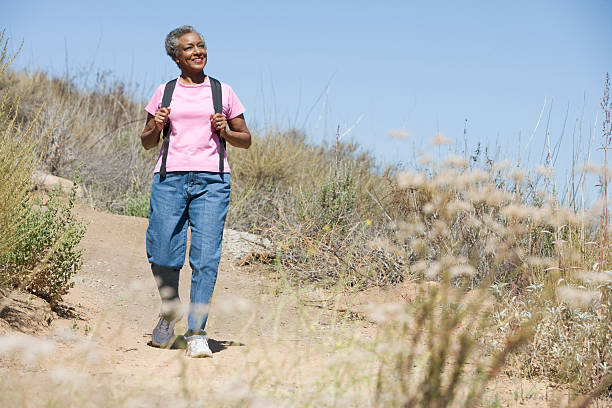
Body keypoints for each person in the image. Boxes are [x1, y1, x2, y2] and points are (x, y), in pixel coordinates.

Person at [140, 25, 251, 358]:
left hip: (212, 182)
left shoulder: (223, 91)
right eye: (189, 48)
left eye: (201, 45)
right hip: (169, 179)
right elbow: (146, 142)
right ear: (176, 56)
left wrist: (226, 130)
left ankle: (197, 330)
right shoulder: (165, 92)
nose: (198, 51)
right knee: (162, 252)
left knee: (205, 258)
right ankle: (169, 309)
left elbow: (245, 139)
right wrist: (155, 125)